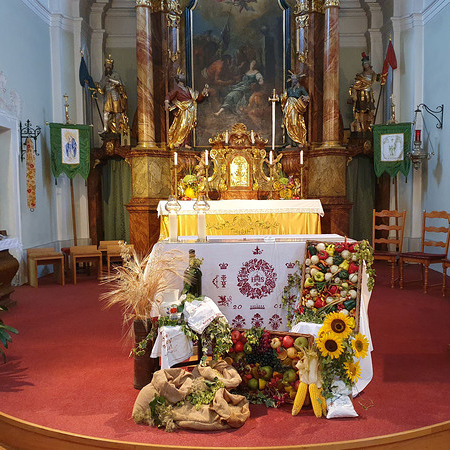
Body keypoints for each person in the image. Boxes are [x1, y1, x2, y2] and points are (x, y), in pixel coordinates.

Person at [165, 73, 208, 149]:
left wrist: (203, 93)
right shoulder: (177, 89)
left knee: (189, 127)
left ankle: (186, 143)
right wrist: (166, 103)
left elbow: (197, 98)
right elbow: (169, 95)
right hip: (183, 110)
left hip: (190, 110)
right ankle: (178, 142)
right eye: (181, 75)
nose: (184, 76)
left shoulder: (188, 89)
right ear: (178, 79)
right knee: (183, 126)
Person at [96, 55, 129, 134]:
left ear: (112, 66)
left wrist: (111, 80)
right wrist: (97, 85)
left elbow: (120, 83)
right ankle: (105, 129)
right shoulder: (104, 75)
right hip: (107, 96)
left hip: (115, 95)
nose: (108, 67)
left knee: (117, 112)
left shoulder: (115, 74)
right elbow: (101, 85)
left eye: (110, 65)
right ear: (105, 66)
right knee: (106, 112)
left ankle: (117, 129)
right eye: (107, 65)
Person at [349, 53, 379, 132]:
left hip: (369, 94)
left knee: (371, 110)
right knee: (361, 111)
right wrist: (354, 93)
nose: (365, 65)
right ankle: (362, 127)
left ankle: (370, 126)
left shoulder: (373, 74)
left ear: (369, 65)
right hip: (362, 94)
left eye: (366, 64)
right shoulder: (361, 76)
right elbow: (356, 85)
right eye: (364, 64)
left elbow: (378, 79)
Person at [280, 73, 309, 147]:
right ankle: (290, 143)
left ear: (297, 79)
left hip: (296, 107)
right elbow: (283, 97)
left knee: (296, 123)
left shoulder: (301, 88)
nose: (293, 81)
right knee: (288, 123)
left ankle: (298, 141)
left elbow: (307, 96)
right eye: (292, 79)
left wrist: (306, 98)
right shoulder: (289, 89)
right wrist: (279, 97)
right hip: (288, 107)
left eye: (295, 79)